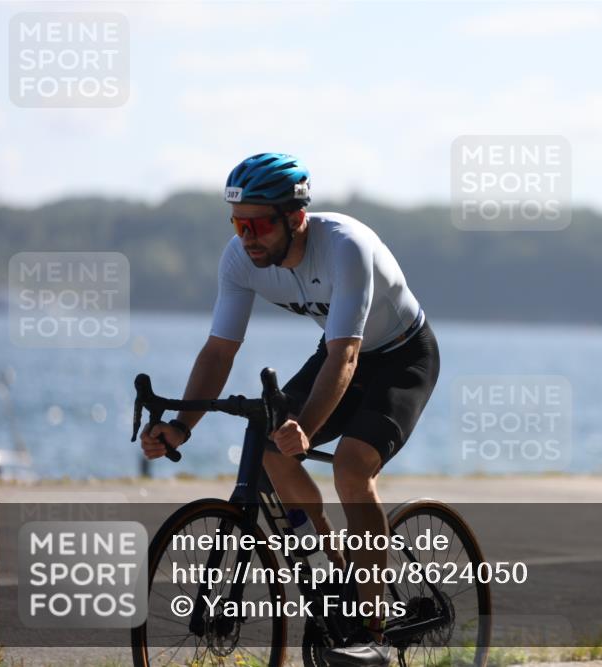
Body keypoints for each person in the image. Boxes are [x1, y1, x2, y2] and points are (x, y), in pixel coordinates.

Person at [140, 152, 440, 666]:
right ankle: (333, 561)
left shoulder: (346, 247)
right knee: (270, 451)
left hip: (401, 357)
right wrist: (180, 426)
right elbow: (219, 351)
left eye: (257, 224)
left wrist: (306, 427)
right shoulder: (239, 260)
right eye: (237, 224)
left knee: (350, 466)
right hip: (341, 354)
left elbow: (345, 353)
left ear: (295, 218)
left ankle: (374, 633)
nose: (246, 237)